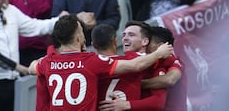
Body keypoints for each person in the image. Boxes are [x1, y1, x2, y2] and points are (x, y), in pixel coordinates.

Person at [32, 15, 173, 110]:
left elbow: (32, 68)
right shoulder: (94, 61)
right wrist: (159, 54)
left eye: (131, 34)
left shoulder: (47, 62)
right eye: (81, 32)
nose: (125, 38)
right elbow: (137, 65)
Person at [143, 26, 188, 111]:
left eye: (148, 42)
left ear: (160, 46)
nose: (144, 45)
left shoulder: (175, 62)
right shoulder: (147, 64)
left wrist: (138, 84)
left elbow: (169, 80)